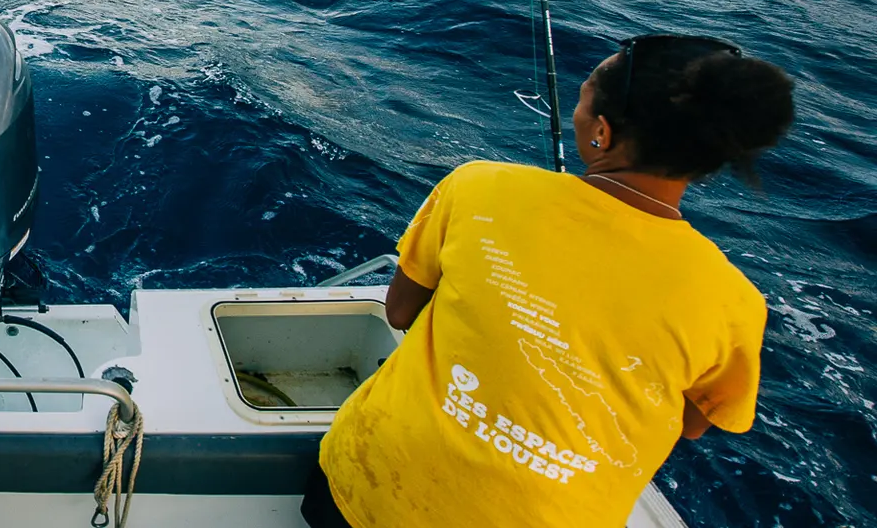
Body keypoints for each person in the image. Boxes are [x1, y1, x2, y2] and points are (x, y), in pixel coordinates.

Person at [308, 33, 795, 528]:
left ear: (601, 132)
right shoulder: (736, 301)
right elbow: (691, 425)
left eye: (583, 96)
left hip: (364, 486)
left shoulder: (478, 185)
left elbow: (399, 312)